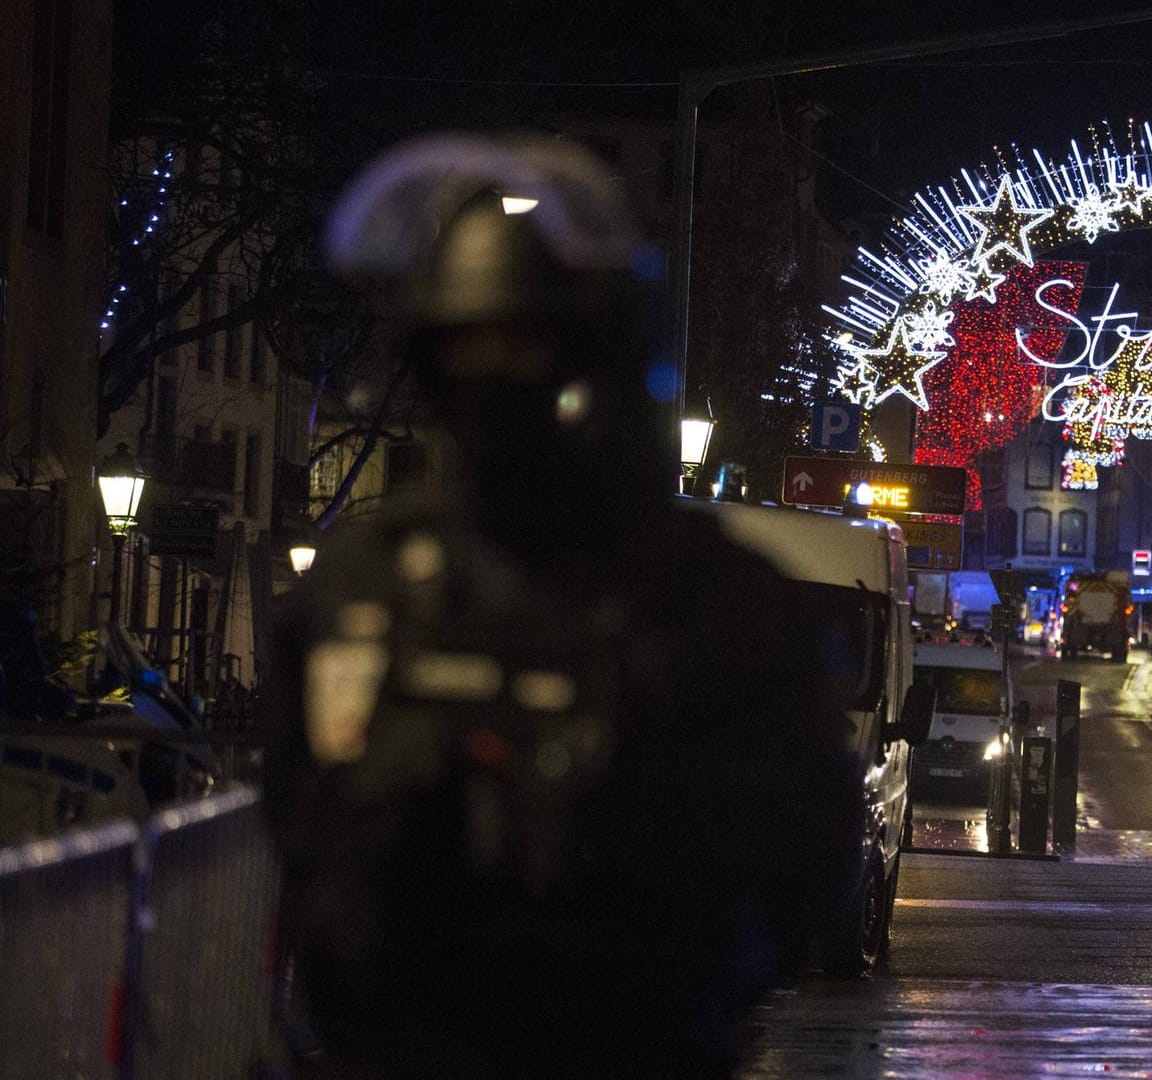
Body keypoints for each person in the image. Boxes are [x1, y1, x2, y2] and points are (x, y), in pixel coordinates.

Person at [263, 135, 862, 1079]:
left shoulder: (708, 599)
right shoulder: (364, 585)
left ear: (594, 356)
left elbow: (809, 864)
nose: (495, 382)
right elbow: (299, 825)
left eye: (524, 347)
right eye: (467, 349)